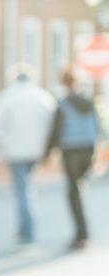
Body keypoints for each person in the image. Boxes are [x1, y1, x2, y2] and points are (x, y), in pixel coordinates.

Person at [0, 64, 57, 245]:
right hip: (37, 151)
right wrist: (49, 152)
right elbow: (53, 124)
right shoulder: (43, 97)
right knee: (28, 189)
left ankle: (27, 231)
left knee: (23, 191)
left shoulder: (6, 96)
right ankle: (24, 228)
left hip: (16, 151)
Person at [44, 67, 99, 250]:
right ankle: (82, 233)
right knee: (79, 190)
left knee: (73, 192)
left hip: (71, 151)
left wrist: (47, 154)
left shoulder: (63, 104)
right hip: (88, 149)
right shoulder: (89, 101)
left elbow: (55, 131)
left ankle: (81, 235)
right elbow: (97, 126)